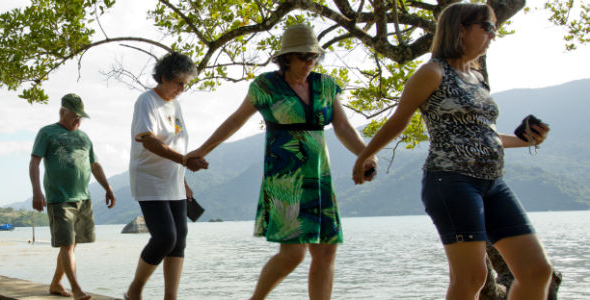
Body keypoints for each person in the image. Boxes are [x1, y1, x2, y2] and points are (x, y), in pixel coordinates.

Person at [350, 3, 553, 299]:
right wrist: (364, 156)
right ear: (461, 29)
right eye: (487, 27)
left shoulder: (477, 78)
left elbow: (485, 134)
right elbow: (399, 120)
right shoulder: (432, 73)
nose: (493, 35)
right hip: (452, 181)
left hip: (493, 183)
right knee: (471, 277)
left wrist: (527, 139)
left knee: (537, 271)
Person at [184, 24, 370, 299]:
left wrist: (366, 155)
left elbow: (343, 127)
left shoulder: (326, 86)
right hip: (285, 177)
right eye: (304, 56)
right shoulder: (266, 86)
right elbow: (236, 120)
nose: (310, 62)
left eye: (314, 56)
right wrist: (202, 150)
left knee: (326, 251)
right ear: (287, 57)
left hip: (318, 177)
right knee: (293, 253)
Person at [125, 52, 207, 300]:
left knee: (179, 239)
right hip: (150, 180)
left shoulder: (176, 104)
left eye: (186, 84)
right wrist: (184, 160)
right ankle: (135, 289)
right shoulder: (146, 101)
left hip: (174, 181)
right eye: (178, 83)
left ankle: (171, 297)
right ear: (163, 77)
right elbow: (148, 141)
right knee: (164, 238)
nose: (182, 89)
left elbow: (177, 144)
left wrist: (183, 177)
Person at [30, 93, 117, 300]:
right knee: (67, 245)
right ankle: (77, 290)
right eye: (75, 116)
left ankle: (56, 284)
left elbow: (95, 165)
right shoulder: (47, 133)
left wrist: (108, 188)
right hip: (59, 197)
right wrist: (36, 191)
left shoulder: (84, 137)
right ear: (63, 112)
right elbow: (34, 162)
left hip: (83, 198)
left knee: (72, 245)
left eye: (81, 117)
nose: (78, 120)